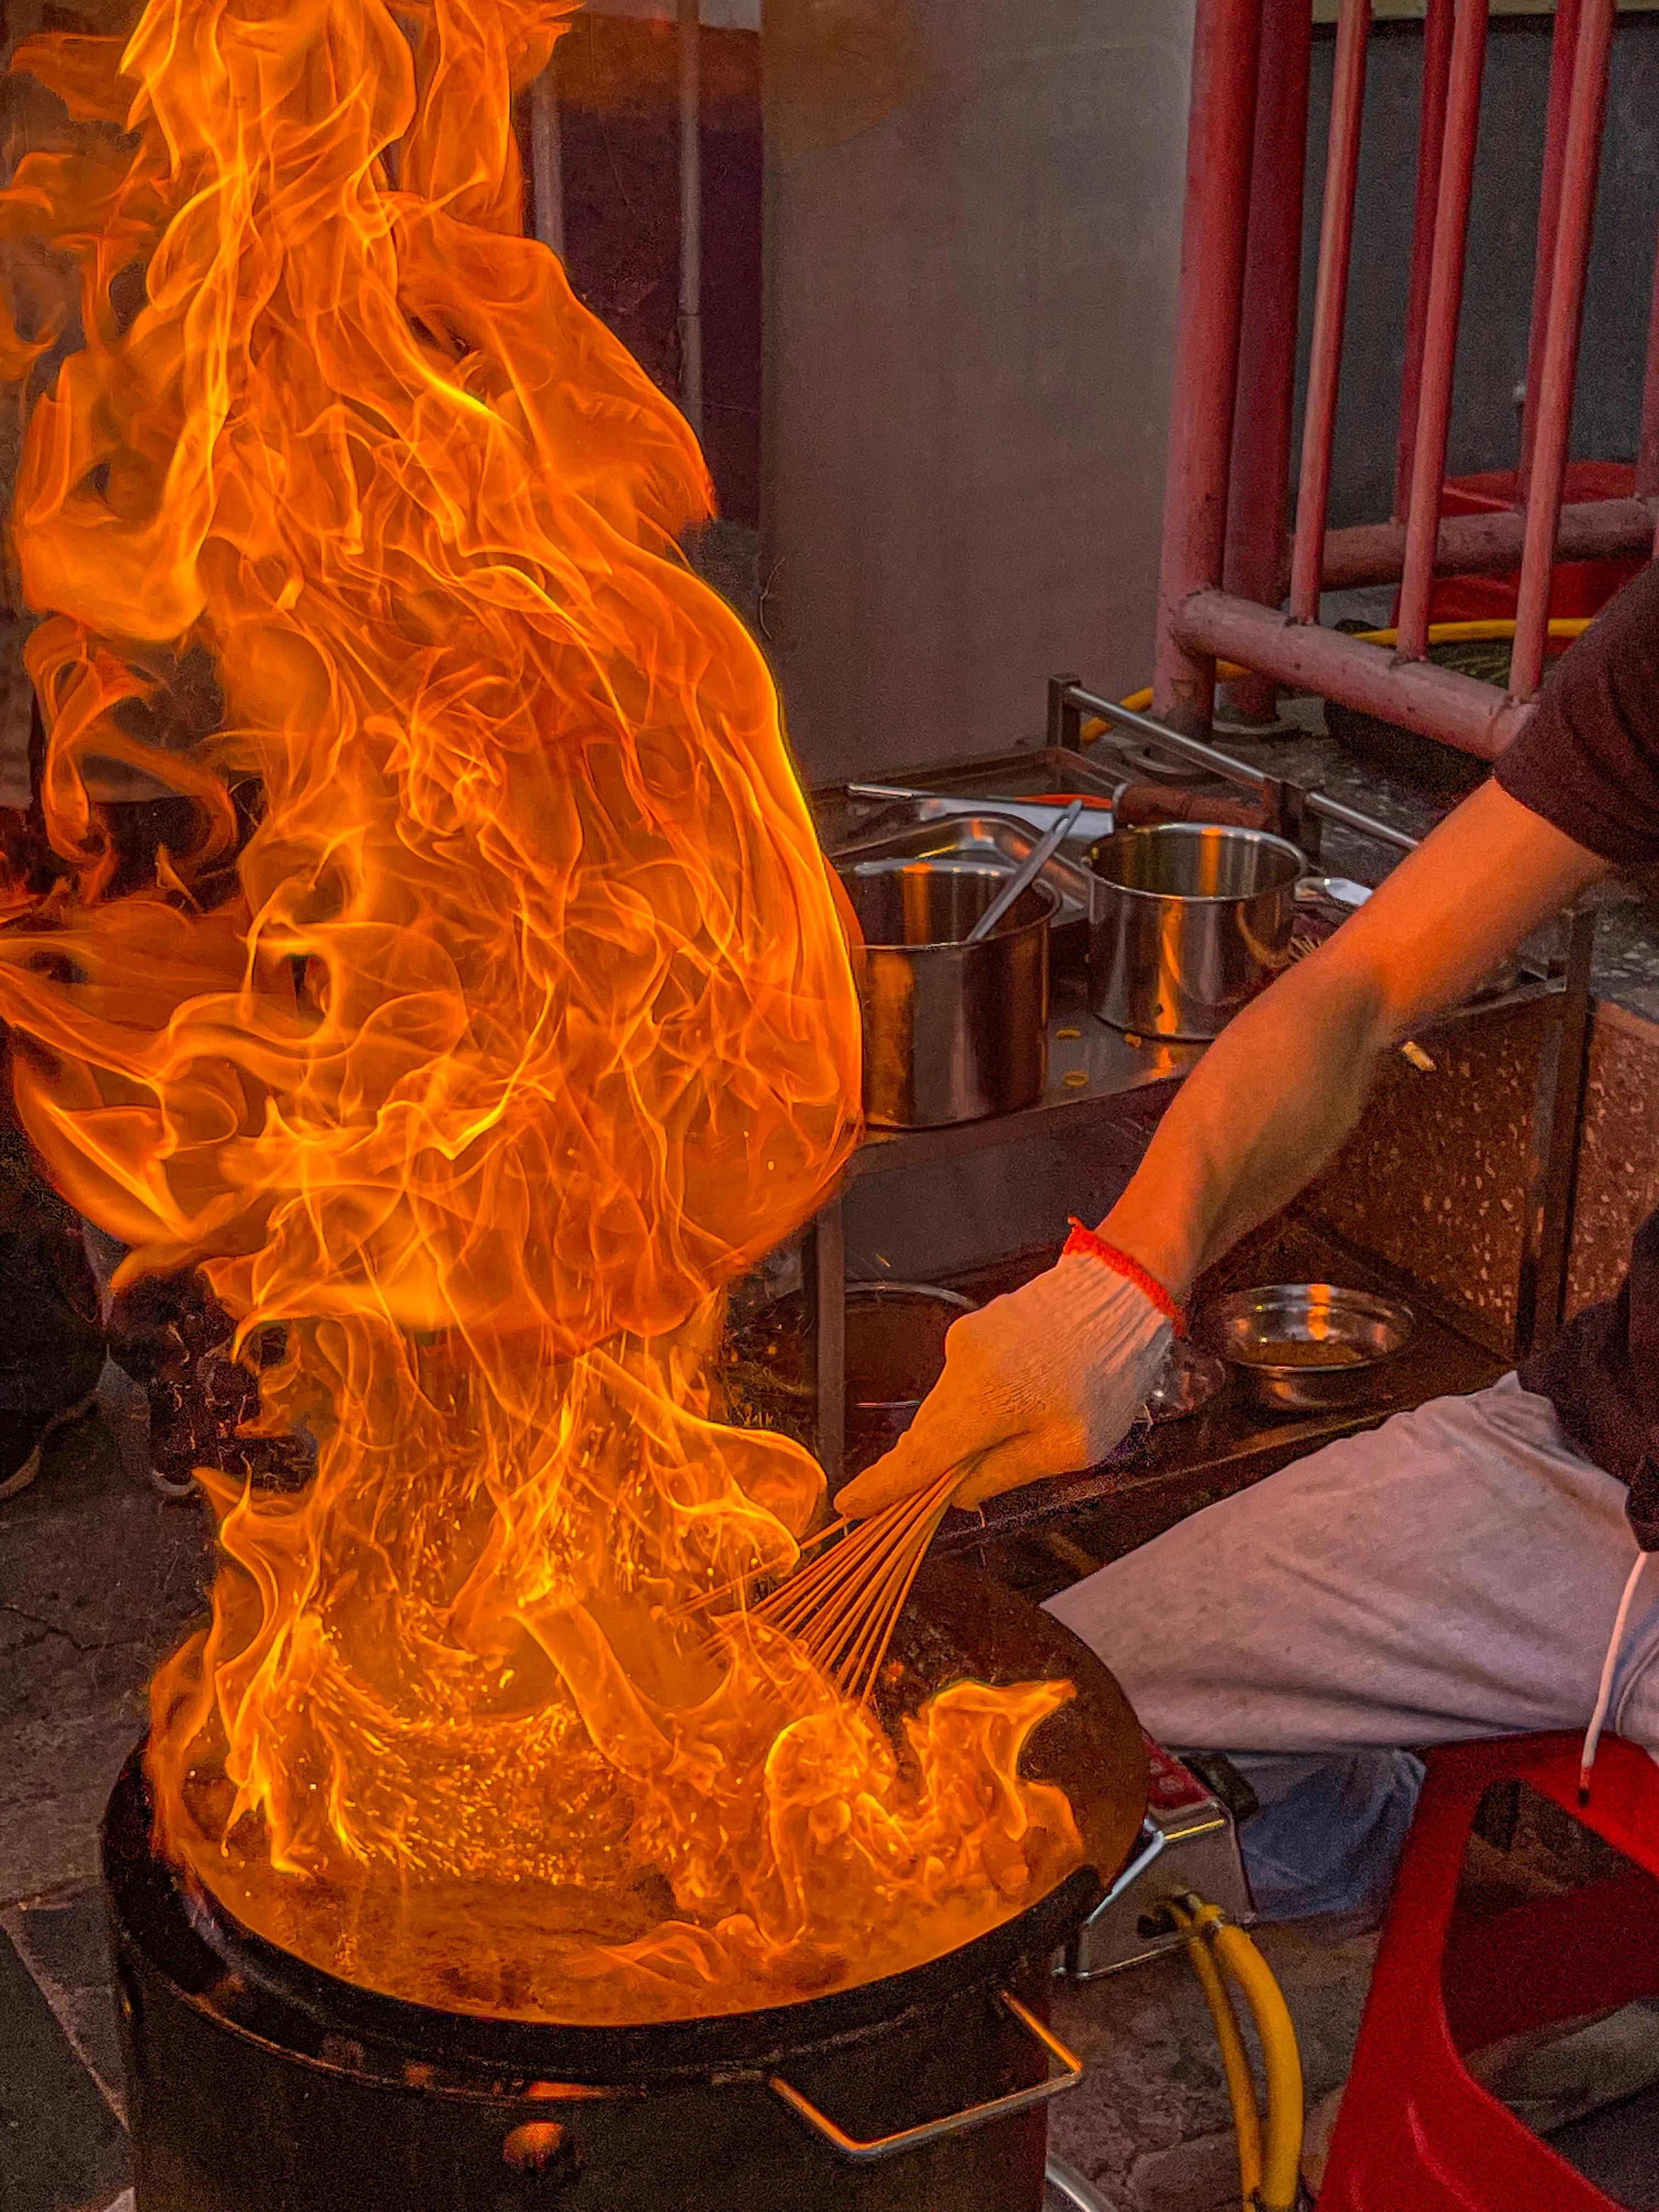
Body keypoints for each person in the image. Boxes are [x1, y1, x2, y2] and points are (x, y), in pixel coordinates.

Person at [837, 558, 1659, 1929]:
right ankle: (1464, 1922)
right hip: (1602, 1452)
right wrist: (1122, 1282)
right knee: (1048, 1731)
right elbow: (1365, 982)